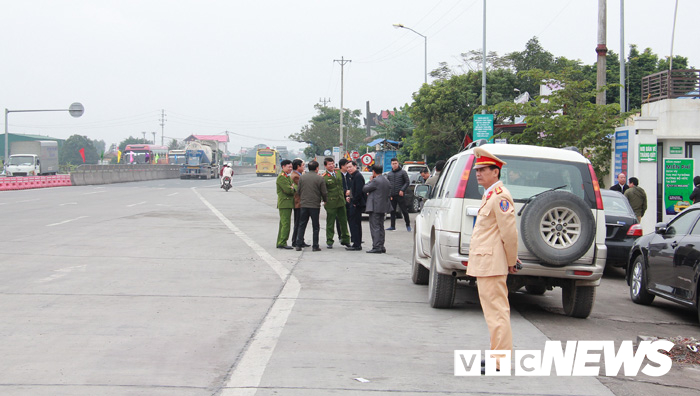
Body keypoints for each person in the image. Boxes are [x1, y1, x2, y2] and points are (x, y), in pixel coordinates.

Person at [468, 147, 519, 374]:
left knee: (497, 313)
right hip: (486, 262)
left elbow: (509, 234)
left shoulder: (500, 196)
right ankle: (495, 355)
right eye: (477, 170)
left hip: (493, 263)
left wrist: (511, 261)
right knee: (493, 313)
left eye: (483, 169)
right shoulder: (489, 194)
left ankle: (499, 362)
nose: (478, 173)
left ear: (495, 172)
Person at [295, 160, 327, 252]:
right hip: (315, 205)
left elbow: (299, 191)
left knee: (302, 224)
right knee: (315, 226)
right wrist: (325, 200)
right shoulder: (320, 178)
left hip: (304, 204)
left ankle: (298, 244)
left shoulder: (302, 177)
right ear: (317, 168)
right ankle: (315, 245)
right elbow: (324, 192)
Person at [363, 164, 392, 253]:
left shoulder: (375, 181)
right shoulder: (386, 180)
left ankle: (376, 246)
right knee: (380, 226)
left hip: (375, 206)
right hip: (383, 206)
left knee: (375, 227)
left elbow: (365, 188)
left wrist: (369, 181)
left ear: (374, 172)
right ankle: (381, 245)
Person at [322, 158, 351, 249]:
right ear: (325, 166)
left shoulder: (338, 173)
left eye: (332, 163)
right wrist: (324, 200)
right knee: (330, 222)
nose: (331, 165)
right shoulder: (324, 176)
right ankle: (329, 240)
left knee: (343, 221)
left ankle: (346, 240)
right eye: (329, 164)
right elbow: (323, 190)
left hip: (341, 201)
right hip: (331, 202)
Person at [345, 160, 366, 251]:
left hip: (356, 204)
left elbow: (359, 191)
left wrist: (354, 202)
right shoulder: (353, 176)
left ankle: (357, 244)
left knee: (355, 224)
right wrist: (350, 197)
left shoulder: (357, 176)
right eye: (347, 167)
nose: (349, 169)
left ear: (355, 166)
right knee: (354, 223)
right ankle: (356, 243)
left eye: (350, 167)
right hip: (354, 202)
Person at [386, 158, 411, 232]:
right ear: (391, 164)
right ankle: (392, 226)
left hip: (400, 194)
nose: (394, 165)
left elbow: (407, 182)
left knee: (404, 210)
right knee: (392, 211)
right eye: (393, 164)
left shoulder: (403, 172)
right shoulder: (389, 174)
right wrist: (389, 194)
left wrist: (402, 190)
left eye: (395, 163)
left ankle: (408, 225)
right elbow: (388, 185)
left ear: (398, 163)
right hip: (392, 195)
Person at [275, 159, 295, 249]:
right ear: (283, 167)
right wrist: (293, 188)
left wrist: (292, 187)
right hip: (284, 203)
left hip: (288, 203)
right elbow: (288, 190)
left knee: (283, 223)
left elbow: (291, 188)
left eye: (291, 167)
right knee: (285, 223)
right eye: (289, 167)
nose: (290, 168)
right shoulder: (282, 177)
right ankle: (283, 242)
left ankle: (280, 241)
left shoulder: (287, 176)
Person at [290, 159, 309, 248]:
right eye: (303, 165)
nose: (304, 167)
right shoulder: (296, 176)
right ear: (298, 166)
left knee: (301, 223)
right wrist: (305, 176)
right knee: (298, 223)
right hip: (299, 203)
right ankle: (296, 241)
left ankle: (300, 240)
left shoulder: (299, 175)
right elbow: (303, 187)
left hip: (301, 202)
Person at [336, 158, 352, 244]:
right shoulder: (337, 175)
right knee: (340, 219)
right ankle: (341, 236)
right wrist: (344, 192)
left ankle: (351, 236)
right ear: (342, 166)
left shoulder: (350, 175)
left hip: (350, 200)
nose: (349, 167)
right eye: (347, 165)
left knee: (351, 218)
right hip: (340, 200)